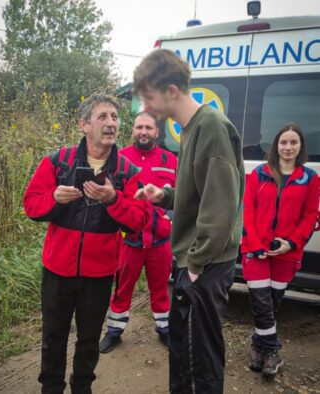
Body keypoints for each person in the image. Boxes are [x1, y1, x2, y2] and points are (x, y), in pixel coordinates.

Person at [133, 48, 245, 393]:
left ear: (171, 91)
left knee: (201, 358)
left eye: (149, 98)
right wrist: (163, 195)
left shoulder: (210, 125)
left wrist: (196, 263)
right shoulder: (191, 127)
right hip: (192, 259)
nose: (147, 108)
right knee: (182, 349)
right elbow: (196, 189)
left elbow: (221, 203)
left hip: (204, 263)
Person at [23, 93, 150, 393]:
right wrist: (53, 198)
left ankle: (82, 388)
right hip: (57, 269)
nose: (111, 123)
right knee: (53, 337)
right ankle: (50, 388)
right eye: (103, 117)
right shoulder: (57, 162)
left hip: (99, 273)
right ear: (84, 124)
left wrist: (114, 199)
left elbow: (140, 221)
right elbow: (30, 204)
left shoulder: (128, 173)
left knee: (89, 340)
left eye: (115, 117)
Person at [241, 123, 320, 378]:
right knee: (261, 302)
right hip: (256, 251)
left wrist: (291, 242)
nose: (287, 147)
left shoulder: (310, 178)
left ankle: (258, 347)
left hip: (287, 252)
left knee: (272, 304)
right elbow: (248, 213)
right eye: (283, 142)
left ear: (300, 147)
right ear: (276, 146)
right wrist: (256, 245)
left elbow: (310, 217)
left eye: (293, 142)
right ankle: (273, 350)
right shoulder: (259, 174)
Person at [99, 111, 177, 353]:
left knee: (160, 287)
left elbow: (182, 193)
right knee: (122, 288)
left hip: (160, 239)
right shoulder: (119, 159)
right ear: (132, 130)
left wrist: (172, 218)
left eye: (149, 128)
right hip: (129, 240)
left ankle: (165, 330)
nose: (143, 131)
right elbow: (110, 196)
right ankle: (114, 331)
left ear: (157, 132)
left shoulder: (170, 160)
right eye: (139, 127)